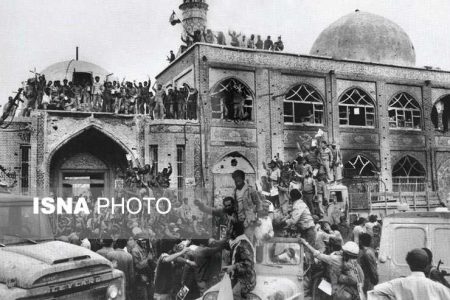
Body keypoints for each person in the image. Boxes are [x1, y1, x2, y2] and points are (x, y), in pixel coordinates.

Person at [368, 248, 450, 300]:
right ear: (426, 264)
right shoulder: (437, 287)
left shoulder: (398, 283)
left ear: (409, 264)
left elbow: (374, 291)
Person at [300, 239, 365, 300]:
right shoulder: (353, 263)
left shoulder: (336, 259)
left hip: (339, 286)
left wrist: (306, 243)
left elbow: (317, 254)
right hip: (347, 285)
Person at [222, 222, 257, 299]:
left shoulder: (243, 244)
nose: (228, 231)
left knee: (232, 295)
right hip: (238, 279)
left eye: (230, 229)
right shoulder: (237, 242)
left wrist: (233, 267)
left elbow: (248, 265)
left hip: (245, 282)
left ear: (235, 232)